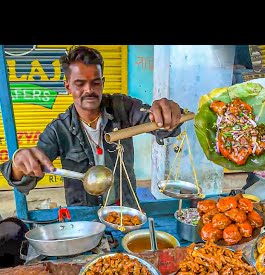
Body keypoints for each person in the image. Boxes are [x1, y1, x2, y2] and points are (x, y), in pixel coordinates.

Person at [0, 45, 183, 208]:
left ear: (102, 83)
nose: (89, 90)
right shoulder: (58, 130)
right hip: (85, 216)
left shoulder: (122, 107)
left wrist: (168, 114)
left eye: (95, 83)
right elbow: (25, 177)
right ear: (68, 87)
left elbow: (158, 124)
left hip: (126, 210)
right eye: (80, 84)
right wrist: (18, 164)